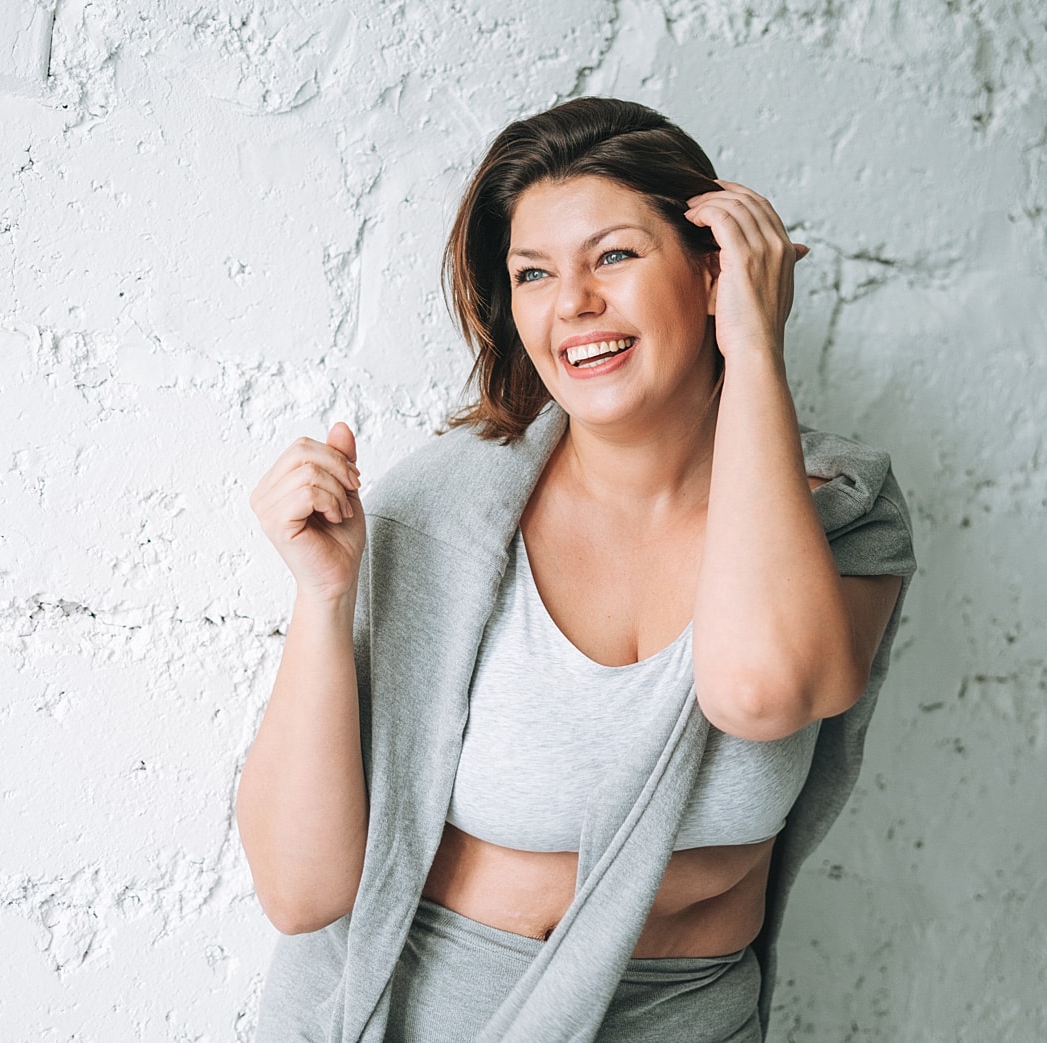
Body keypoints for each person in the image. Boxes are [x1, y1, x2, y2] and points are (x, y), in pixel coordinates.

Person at [239, 97, 916, 1043]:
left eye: (615, 256)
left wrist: (756, 346)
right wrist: (324, 596)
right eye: (533, 273)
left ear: (712, 269)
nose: (573, 304)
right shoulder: (444, 508)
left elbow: (763, 690)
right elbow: (299, 888)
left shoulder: (841, 509)